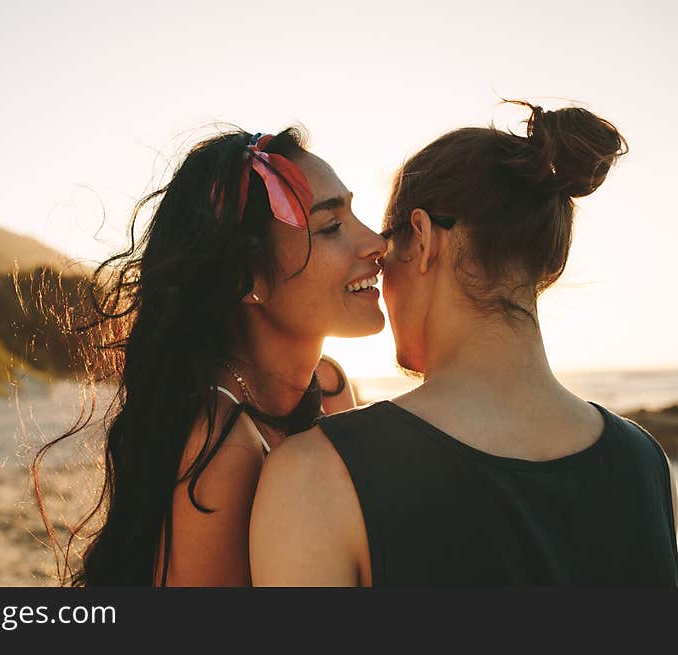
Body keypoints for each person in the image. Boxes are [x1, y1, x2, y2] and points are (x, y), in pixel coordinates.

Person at [250, 103, 678, 586]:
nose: (377, 263)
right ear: (547, 262)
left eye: (388, 245)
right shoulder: (643, 461)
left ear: (423, 238)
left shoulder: (315, 477)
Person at [36, 127, 387, 586]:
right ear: (248, 278)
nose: (376, 242)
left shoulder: (331, 385)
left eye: (355, 213)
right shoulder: (221, 450)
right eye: (331, 227)